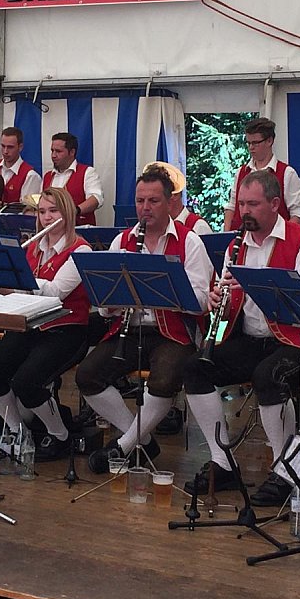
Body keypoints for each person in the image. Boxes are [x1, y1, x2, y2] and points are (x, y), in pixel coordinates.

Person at [183, 169, 300, 504]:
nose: (244, 211)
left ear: (275, 204)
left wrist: (258, 285)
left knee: (267, 376)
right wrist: (218, 301)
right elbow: (229, 304)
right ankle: (223, 462)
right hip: (252, 339)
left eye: (253, 204)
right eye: (241, 204)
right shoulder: (236, 246)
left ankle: (285, 469)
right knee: (194, 368)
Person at [76, 168, 213, 471]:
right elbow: (104, 307)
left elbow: (203, 301)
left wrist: (168, 289)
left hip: (173, 333)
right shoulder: (122, 241)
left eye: (153, 201)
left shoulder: (189, 241)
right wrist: (111, 302)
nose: (145, 208)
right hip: (130, 328)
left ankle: (124, 446)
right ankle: (141, 439)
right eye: (140, 201)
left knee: (163, 381)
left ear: (169, 203)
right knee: (87, 376)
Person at [0, 188, 89, 462]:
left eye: (53, 211)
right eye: (42, 212)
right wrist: (0, 284)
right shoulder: (33, 248)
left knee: (26, 382)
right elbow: (22, 294)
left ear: (67, 213)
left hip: (66, 329)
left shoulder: (80, 250)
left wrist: (19, 278)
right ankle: (18, 432)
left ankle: (60, 435)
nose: (47, 217)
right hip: (32, 324)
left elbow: (55, 293)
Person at [222, 118, 300, 230]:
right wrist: (227, 235)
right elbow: (232, 208)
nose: (251, 147)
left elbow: (298, 214)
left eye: (255, 143)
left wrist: (281, 236)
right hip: (241, 238)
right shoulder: (241, 172)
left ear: (269, 141)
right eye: (248, 143)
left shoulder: (287, 173)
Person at [44, 132, 103, 225]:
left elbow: (96, 198)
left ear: (72, 152)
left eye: (58, 151)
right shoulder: (47, 176)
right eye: (52, 151)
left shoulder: (87, 172)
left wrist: (75, 210)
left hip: (79, 230)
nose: (53, 155)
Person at [0, 127, 41, 208]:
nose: (5, 151)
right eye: (3, 146)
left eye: (10, 147)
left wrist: (1, 204)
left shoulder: (31, 176)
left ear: (20, 147)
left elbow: (27, 209)